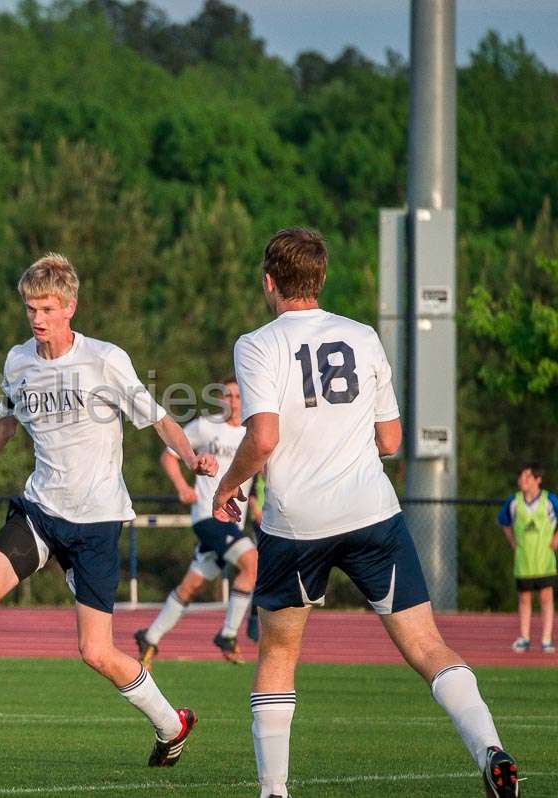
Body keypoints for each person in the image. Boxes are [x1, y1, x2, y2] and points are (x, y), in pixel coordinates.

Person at [210, 228, 519, 798]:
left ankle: (274, 792)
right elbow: (393, 440)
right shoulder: (362, 336)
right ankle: (491, 750)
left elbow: (264, 439)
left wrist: (227, 486)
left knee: (278, 653)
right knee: (428, 648)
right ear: (321, 279)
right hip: (371, 513)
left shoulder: (257, 344)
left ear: (268, 281)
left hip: (296, 525)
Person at [0, 253, 216, 769]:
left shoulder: (105, 359)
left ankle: (171, 725)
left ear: (70, 308)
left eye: (46, 307)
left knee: (96, 652)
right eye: (30, 307)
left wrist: (193, 458)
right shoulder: (19, 360)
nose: (36, 317)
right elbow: (4, 424)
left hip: (96, 522)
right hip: (40, 511)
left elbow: (160, 420)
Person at [134, 377, 260, 666]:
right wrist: (182, 486)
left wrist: (255, 503)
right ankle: (228, 635)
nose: (233, 401)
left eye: (238, 396)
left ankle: (149, 637)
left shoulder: (252, 434)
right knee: (251, 563)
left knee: (191, 587)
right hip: (208, 515)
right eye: (227, 396)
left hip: (234, 522)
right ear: (220, 399)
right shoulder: (206, 427)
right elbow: (169, 456)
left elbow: (255, 476)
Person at [498, 462, 558, 654]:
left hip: (544, 561)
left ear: (537, 480)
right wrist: (512, 542)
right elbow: (503, 521)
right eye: (521, 477)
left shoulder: (549, 500)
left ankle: (547, 639)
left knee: (546, 599)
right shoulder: (514, 501)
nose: (522, 480)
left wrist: (555, 539)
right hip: (524, 561)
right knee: (524, 600)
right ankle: (524, 637)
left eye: (527, 477)